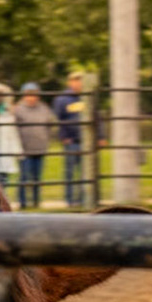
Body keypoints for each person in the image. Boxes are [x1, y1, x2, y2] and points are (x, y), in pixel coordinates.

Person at [12, 82, 59, 211]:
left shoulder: (44, 108)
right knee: (24, 177)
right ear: (24, 96)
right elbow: (13, 128)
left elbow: (50, 124)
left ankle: (36, 201)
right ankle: (23, 202)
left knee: (37, 177)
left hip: (40, 148)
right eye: (28, 95)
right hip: (24, 149)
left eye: (34, 94)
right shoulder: (18, 109)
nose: (32, 97)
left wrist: (46, 139)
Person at [52, 71, 90, 208]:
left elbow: (96, 117)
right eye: (75, 81)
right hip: (71, 142)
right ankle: (69, 200)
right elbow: (57, 120)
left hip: (86, 142)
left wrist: (101, 136)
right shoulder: (62, 99)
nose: (78, 84)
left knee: (85, 173)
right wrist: (63, 136)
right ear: (70, 82)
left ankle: (82, 199)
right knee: (70, 172)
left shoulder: (87, 97)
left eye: (80, 81)